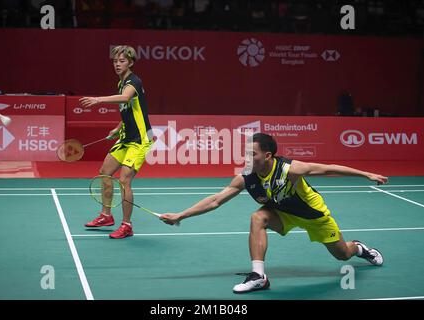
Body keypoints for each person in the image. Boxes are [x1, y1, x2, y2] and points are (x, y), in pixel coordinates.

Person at [160, 133, 387, 293]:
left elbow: (328, 168)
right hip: (282, 213)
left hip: (312, 214)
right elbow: (216, 200)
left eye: (253, 154)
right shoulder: (246, 177)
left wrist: (366, 174)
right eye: (246, 154)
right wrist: (181, 215)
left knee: (342, 255)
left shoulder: (290, 170)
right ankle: (258, 276)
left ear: (267, 156)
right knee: (258, 217)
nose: (247, 159)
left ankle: (359, 248)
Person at [80, 45, 153, 239]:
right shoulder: (120, 82)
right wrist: (118, 127)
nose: (117, 64)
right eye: (115, 61)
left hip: (139, 140)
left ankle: (127, 225)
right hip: (126, 137)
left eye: (122, 61)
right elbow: (129, 110)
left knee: (124, 180)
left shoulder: (133, 82)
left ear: (130, 63)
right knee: (105, 172)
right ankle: (106, 215)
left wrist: (98, 100)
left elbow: (126, 97)